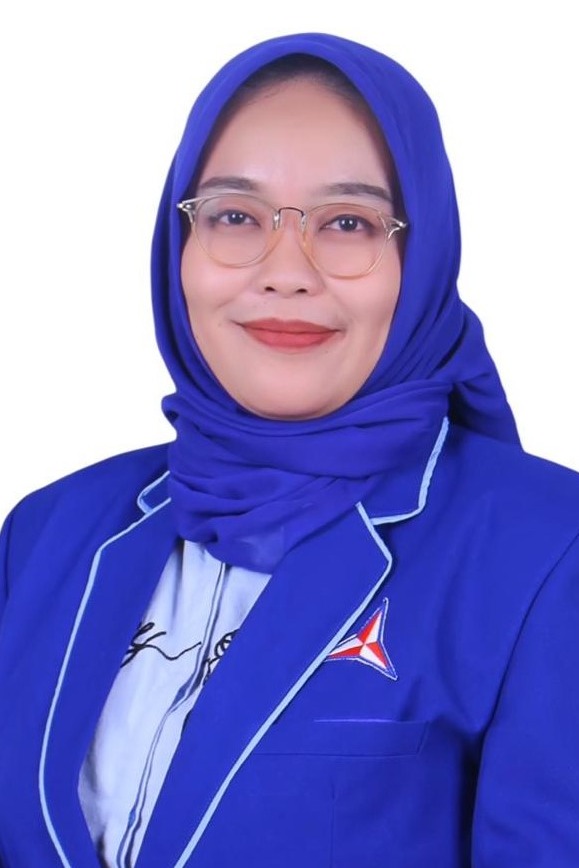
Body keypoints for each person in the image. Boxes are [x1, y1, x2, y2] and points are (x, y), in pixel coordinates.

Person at [0, 31, 578, 868]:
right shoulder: (49, 530)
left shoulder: (546, 549)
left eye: (347, 222)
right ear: (178, 250)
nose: (285, 271)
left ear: (420, 259)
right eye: (235, 216)